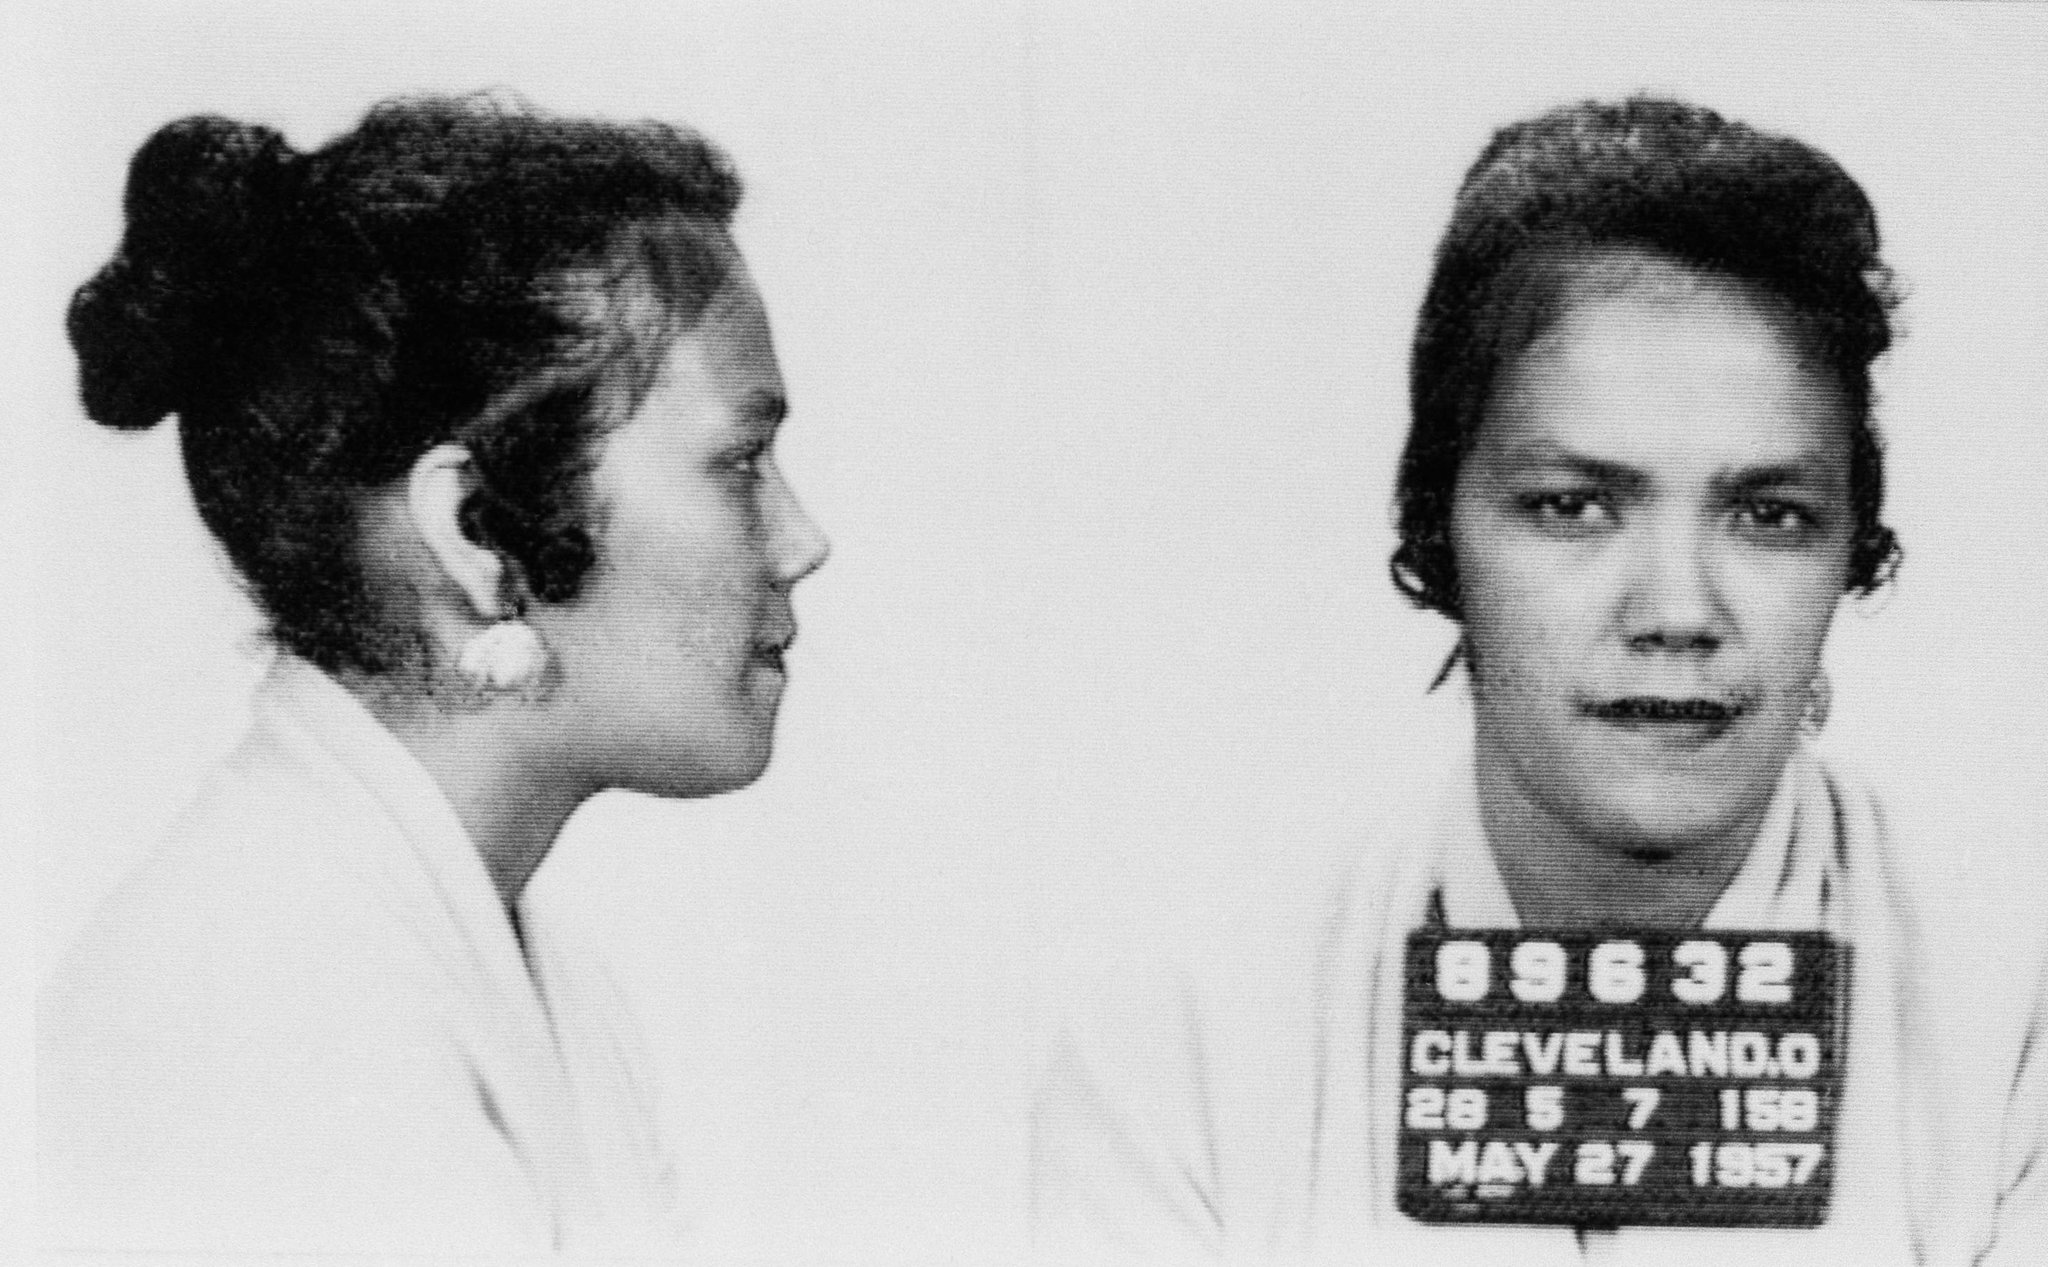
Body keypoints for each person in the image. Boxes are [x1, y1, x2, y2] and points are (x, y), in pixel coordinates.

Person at [1032, 96, 2040, 1265]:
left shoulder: (2015, 1011)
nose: (1675, 612)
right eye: (1571, 506)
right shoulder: (1188, 1032)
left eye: (1768, 515)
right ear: (1438, 526)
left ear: (1848, 547)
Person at [39, 95, 830, 1256]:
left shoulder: (503, 960)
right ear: (478, 530)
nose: (801, 538)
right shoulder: (270, 1027)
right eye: (740, 462)